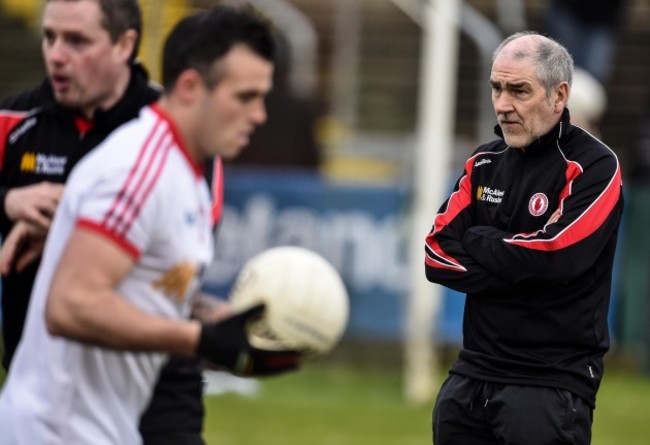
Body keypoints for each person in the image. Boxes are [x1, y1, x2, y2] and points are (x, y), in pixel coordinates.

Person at [0, 5, 299, 445]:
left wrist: (230, 327)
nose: (259, 115)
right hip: (58, 430)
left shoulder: (184, 173)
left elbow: (147, 286)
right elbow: (70, 307)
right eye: (245, 97)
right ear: (192, 87)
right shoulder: (140, 169)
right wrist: (199, 340)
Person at [424, 31, 623, 445]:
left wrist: (480, 239)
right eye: (497, 88)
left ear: (559, 95)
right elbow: (436, 253)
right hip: (471, 375)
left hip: (549, 384)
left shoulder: (595, 166)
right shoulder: (483, 163)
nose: (502, 104)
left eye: (519, 90)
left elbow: (556, 255)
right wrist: (522, 259)